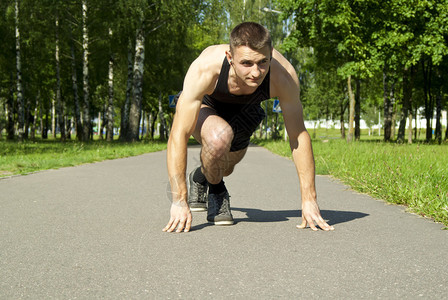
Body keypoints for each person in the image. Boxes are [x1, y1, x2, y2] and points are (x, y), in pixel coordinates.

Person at [163, 22, 334, 233]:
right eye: (246, 63)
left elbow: (298, 136)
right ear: (229, 57)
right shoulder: (206, 68)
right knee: (218, 139)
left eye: (263, 62)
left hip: (246, 111)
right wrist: (179, 201)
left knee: (226, 167)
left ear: (270, 54)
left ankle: (200, 177)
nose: (256, 72)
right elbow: (178, 135)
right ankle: (217, 192)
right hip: (208, 105)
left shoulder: (283, 76)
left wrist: (310, 200)